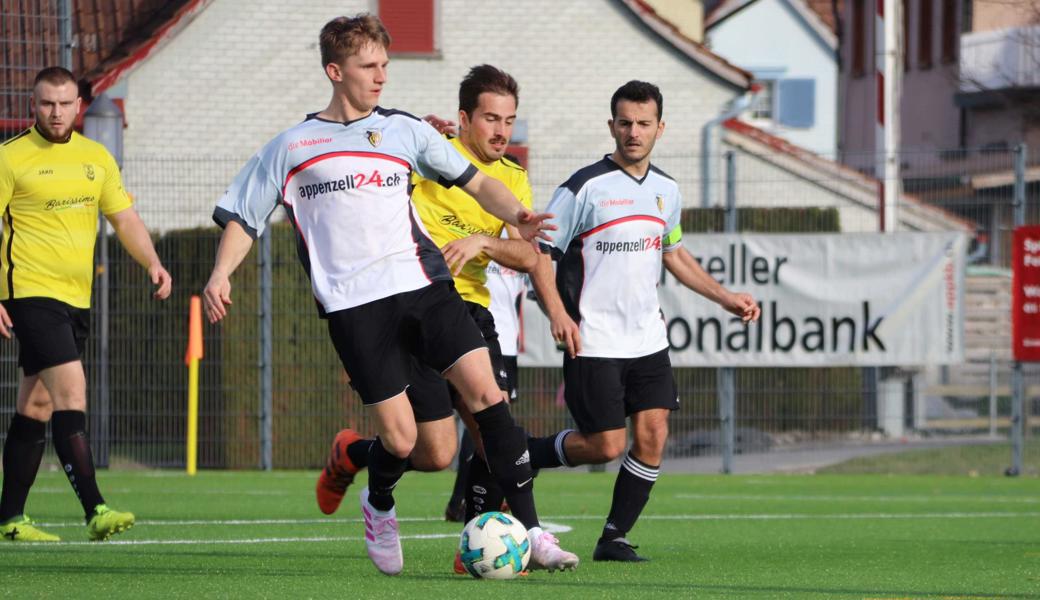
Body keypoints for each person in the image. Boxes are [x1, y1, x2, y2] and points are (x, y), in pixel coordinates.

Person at [203, 17, 571, 576]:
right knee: (403, 442)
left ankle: (535, 534)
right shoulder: (292, 147)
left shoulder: (404, 131)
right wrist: (220, 273)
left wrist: (517, 213)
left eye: (385, 65)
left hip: (423, 288)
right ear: (335, 71)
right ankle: (378, 503)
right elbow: (243, 217)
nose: (381, 76)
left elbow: (477, 181)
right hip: (354, 309)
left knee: (489, 400)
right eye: (369, 66)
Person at [308, 62, 578, 572]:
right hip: (409, 305)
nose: (501, 130)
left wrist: (484, 241)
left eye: (509, 120)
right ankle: (353, 453)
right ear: (463, 117)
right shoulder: (425, 150)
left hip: (469, 310)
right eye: (491, 118)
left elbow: (530, 255)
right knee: (432, 453)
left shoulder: (513, 178)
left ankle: (493, 543)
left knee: (491, 422)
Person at [529, 80, 761, 562]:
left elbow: (673, 254)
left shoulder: (666, 191)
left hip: (647, 339)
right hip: (592, 338)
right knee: (604, 445)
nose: (634, 132)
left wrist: (725, 298)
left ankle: (613, 537)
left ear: (660, 127)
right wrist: (556, 312)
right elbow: (540, 256)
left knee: (654, 435)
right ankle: (517, 456)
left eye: (644, 123)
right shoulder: (583, 187)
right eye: (625, 123)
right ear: (611, 125)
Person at [0, 66, 173, 542]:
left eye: (63, 103)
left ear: (79, 106)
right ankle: (95, 508)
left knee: (35, 404)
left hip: (76, 299)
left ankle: (10, 518)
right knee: (71, 394)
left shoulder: (96, 158)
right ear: (33, 106)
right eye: (45, 104)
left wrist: (153, 262)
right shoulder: (10, 158)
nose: (55, 112)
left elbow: (124, 217)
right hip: (30, 293)